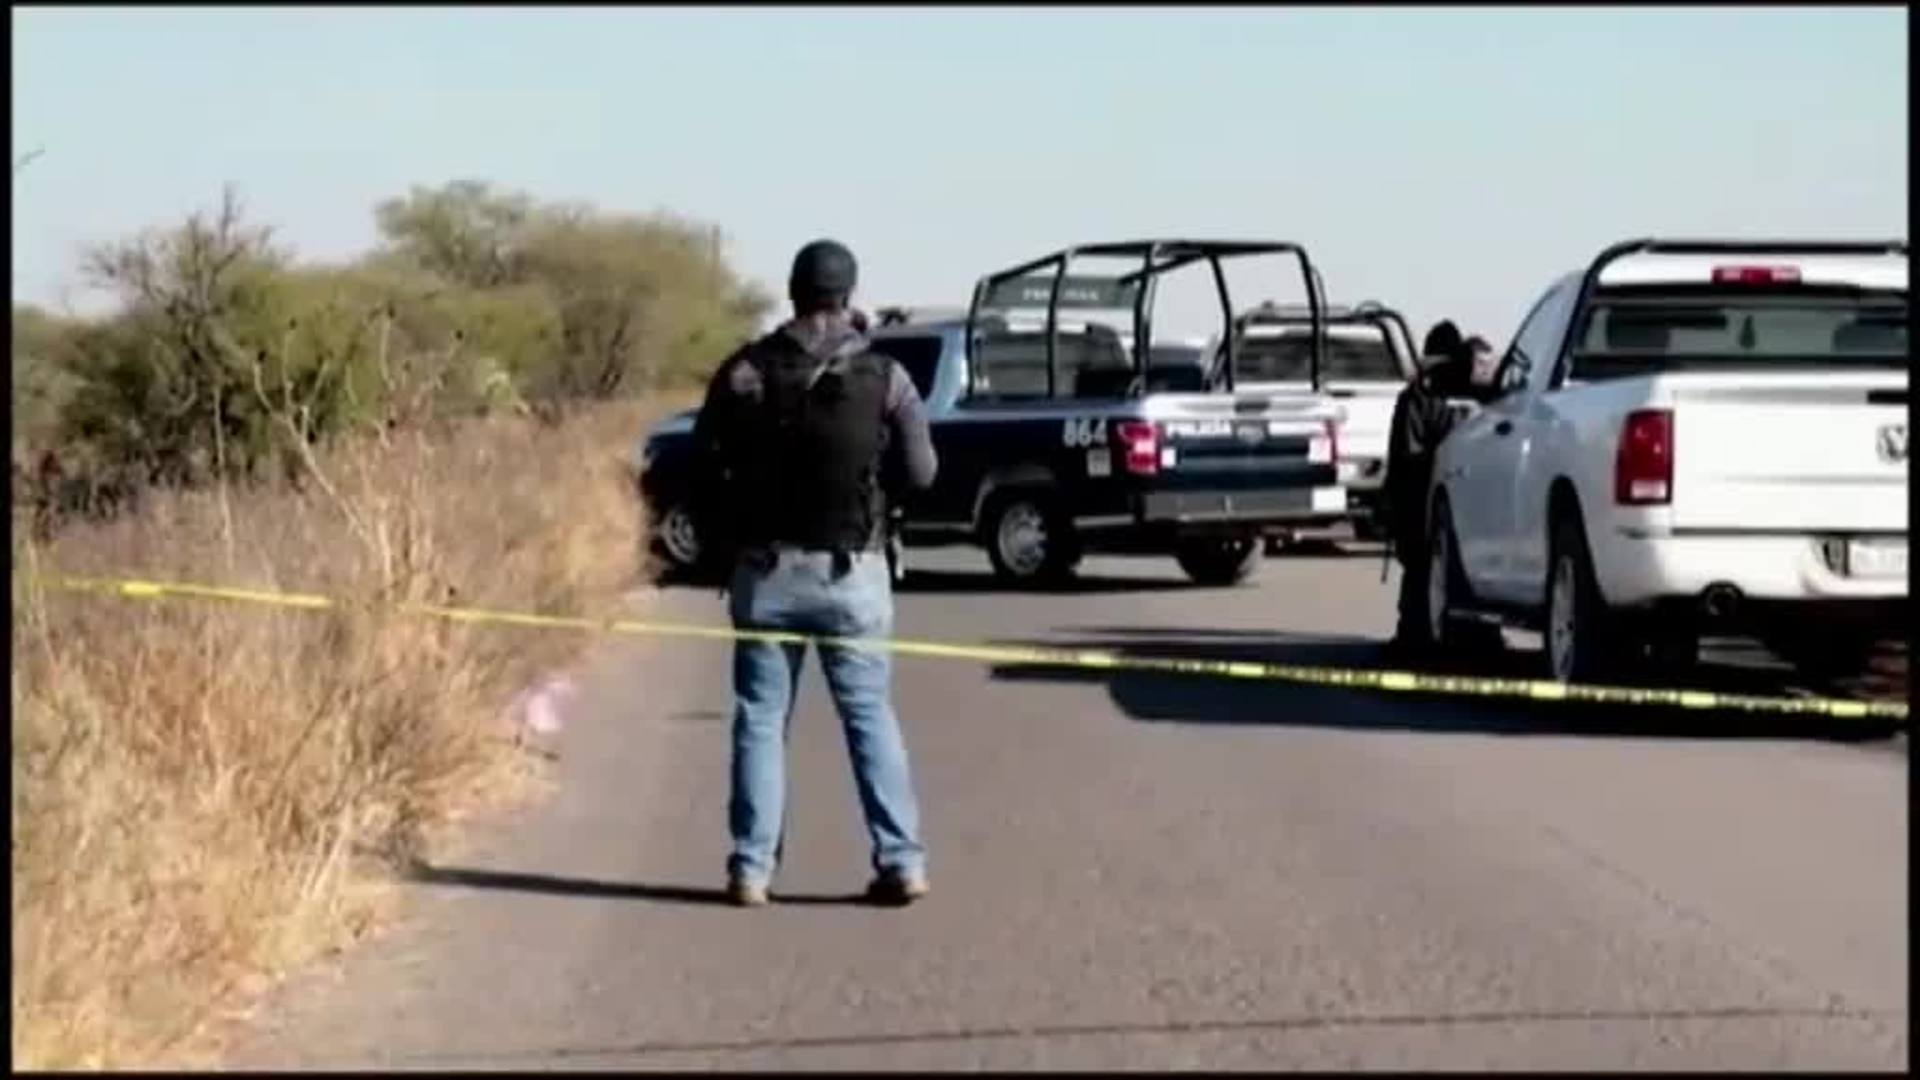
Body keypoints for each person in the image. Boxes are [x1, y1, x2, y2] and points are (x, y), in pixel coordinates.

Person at [690, 239, 938, 909]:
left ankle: (751, 869)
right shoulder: (887, 378)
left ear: (793, 292)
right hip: (850, 570)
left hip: (764, 571)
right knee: (868, 717)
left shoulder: (743, 372)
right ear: (849, 295)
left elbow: (700, 461)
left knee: (761, 722)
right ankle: (901, 861)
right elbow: (922, 473)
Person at [1384, 320, 1479, 654]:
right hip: (1465, 500)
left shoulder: (1418, 397)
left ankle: (1416, 636)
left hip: (1422, 498)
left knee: (1421, 568)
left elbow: (1405, 457)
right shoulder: (1476, 396)